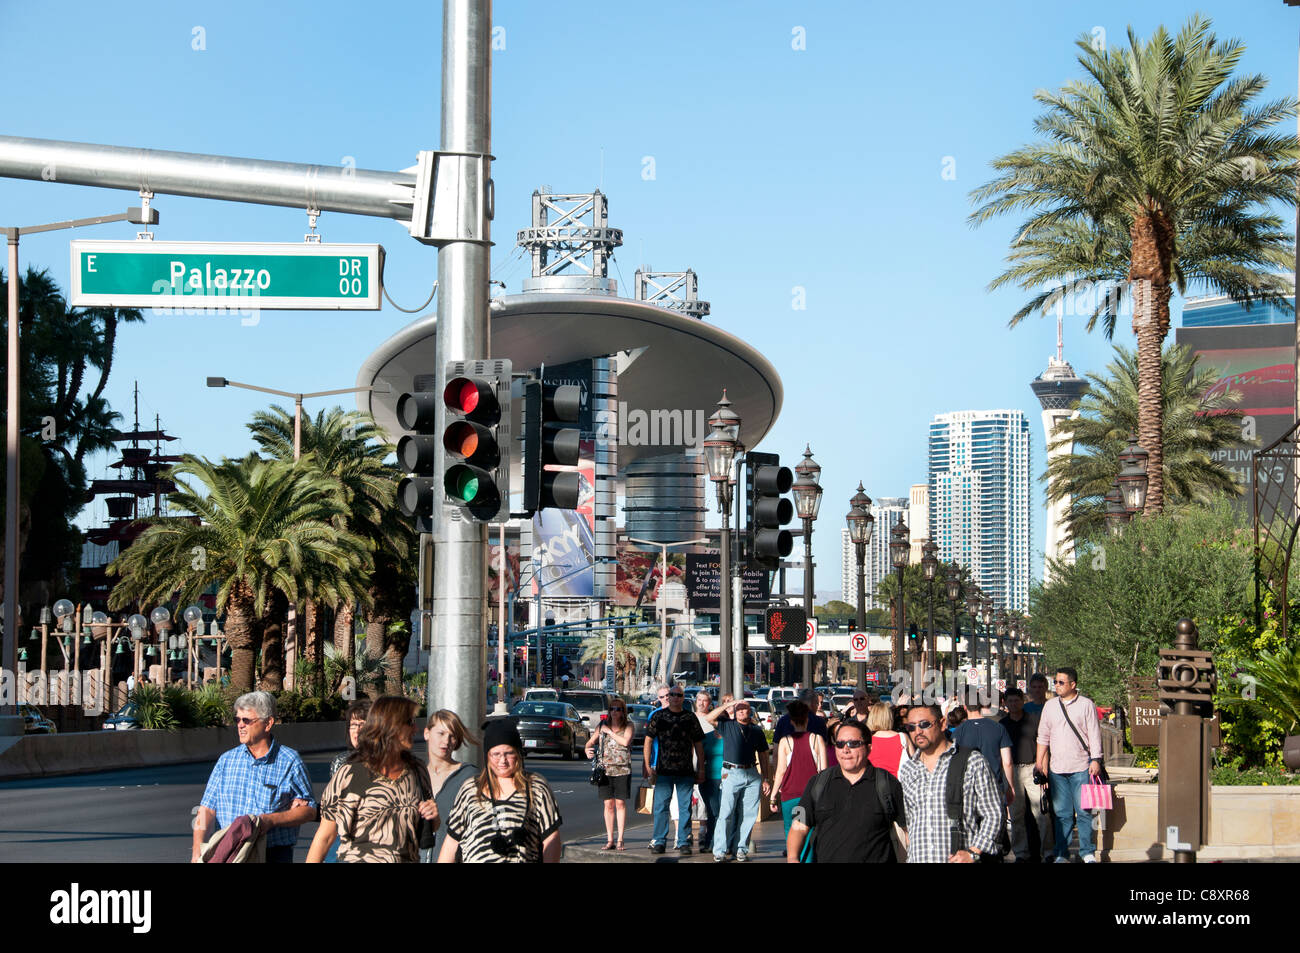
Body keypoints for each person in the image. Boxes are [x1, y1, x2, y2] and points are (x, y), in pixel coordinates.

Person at [306, 696, 436, 863]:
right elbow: (325, 837)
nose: (416, 729)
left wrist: (433, 816)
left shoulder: (417, 771)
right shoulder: (348, 774)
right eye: (410, 722)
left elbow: (427, 828)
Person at [192, 691, 316, 863]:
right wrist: (197, 852)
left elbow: (309, 810)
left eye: (247, 720)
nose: (240, 725)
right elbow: (205, 810)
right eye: (237, 720)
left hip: (272, 854)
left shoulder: (290, 761)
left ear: (268, 723)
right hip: (230, 853)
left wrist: (271, 820)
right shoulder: (226, 761)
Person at [439, 717, 563, 863]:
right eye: (496, 754)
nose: (502, 761)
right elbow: (451, 843)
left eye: (508, 753)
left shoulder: (536, 787)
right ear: (487, 756)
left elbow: (551, 839)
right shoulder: (470, 789)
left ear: (518, 753)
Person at [786, 720, 907, 863]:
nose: (845, 750)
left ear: (869, 748)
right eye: (840, 744)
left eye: (853, 744)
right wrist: (792, 858)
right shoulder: (818, 783)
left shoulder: (887, 783)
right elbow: (798, 826)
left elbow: (908, 829)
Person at [897, 704, 1003, 863]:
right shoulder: (908, 769)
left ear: (942, 723)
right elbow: (910, 822)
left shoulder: (972, 761)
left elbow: (993, 812)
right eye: (911, 727)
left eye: (924, 724)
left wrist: (974, 852)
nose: (918, 731)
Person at [1035, 667, 1104, 863]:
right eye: (1055, 682)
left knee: (1084, 812)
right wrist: (1040, 763)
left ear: (1073, 684)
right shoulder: (1050, 706)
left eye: (1061, 682)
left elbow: (1094, 733)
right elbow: (1043, 736)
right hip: (1057, 769)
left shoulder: (1086, 705)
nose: (1056, 685)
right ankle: (1061, 853)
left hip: (1082, 767)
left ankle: (1086, 852)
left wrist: (1096, 759)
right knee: (1062, 814)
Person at [702, 697, 771, 862]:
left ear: (750, 711)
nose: (741, 711)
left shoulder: (756, 730)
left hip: (751, 773)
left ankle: (741, 849)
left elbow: (763, 754)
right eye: (738, 708)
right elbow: (708, 718)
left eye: (744, 708)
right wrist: (728, 705)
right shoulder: (728, 725)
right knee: (725, 813)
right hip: (731, 773)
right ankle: (719, 851)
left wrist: (766, 778)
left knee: (749, 814)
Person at [643, 682, 704, 855]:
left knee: (685, 808)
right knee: (661, 806)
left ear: (683, 698)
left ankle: (684, 841)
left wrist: (700, 769)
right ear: (668, 697)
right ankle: (659, 841)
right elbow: (648, 741)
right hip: (664, 770)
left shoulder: (690, 717)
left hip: (685, 770)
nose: (675, 698)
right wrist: (648, 765)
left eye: (679, 695)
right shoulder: (658, 716)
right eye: (672, 695)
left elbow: (699, 744)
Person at [768, 699, 828, 848]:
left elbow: (781, 771)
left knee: (791, 830)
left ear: (791, 721)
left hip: (790, 794)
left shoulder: (785, 741)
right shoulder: (816, 739)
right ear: (807, 719)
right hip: (811, 795)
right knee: (809, 832)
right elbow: (824, 770)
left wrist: (773, 795)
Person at [421, 709, 479, 862]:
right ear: (427, 733)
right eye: (441, 733)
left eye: (452, 736)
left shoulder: (469, 777)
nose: (446, 741)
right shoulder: (413, 776)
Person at [1002, 687, 1051, 862]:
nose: (1013, 704)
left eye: (1016, 700)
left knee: (1042, 815)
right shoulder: (1003, 725)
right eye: (1010, 701)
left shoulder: (1034, 720)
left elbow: (1044, 745)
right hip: (1012, 771)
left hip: (1033, 768)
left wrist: (1044, 769)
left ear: (1022, 701)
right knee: (1016, 816)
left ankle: (1048, 852)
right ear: (1005, 703)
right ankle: (1021, 853)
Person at [585, 696, 634, 850]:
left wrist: (609, 732)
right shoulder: (602, 725)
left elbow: (625, 742)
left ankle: (620, 839)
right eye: (612, 709)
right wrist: (587, 749)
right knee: (608, 804)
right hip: (605, 770)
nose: (614, 712)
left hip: (622, 768)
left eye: (618, 709)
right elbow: (590, 742)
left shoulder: (628, 726)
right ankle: (609, 839)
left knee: (620, 803)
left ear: (623, 712)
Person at [693, 690, 724, 853]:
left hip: (725, 778)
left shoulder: (728, 735)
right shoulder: (708, 736)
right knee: (711, 811)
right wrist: (700, 772)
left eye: (705, 700)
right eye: (699, 700)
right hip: (708, 777)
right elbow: (700, 754)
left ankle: (717, 842)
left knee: (718, 811)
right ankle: (709, 839)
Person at [329, 698, 372, 776]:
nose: (357, 730)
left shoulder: (385, 761)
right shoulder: (341, 761)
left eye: (362, 724)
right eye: (353, 725)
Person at [866, 702, 909, 777]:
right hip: (899, 785)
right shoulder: (903, 737)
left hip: (874, 784)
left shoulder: (867, 741)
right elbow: (915, 764)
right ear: (889, 717)